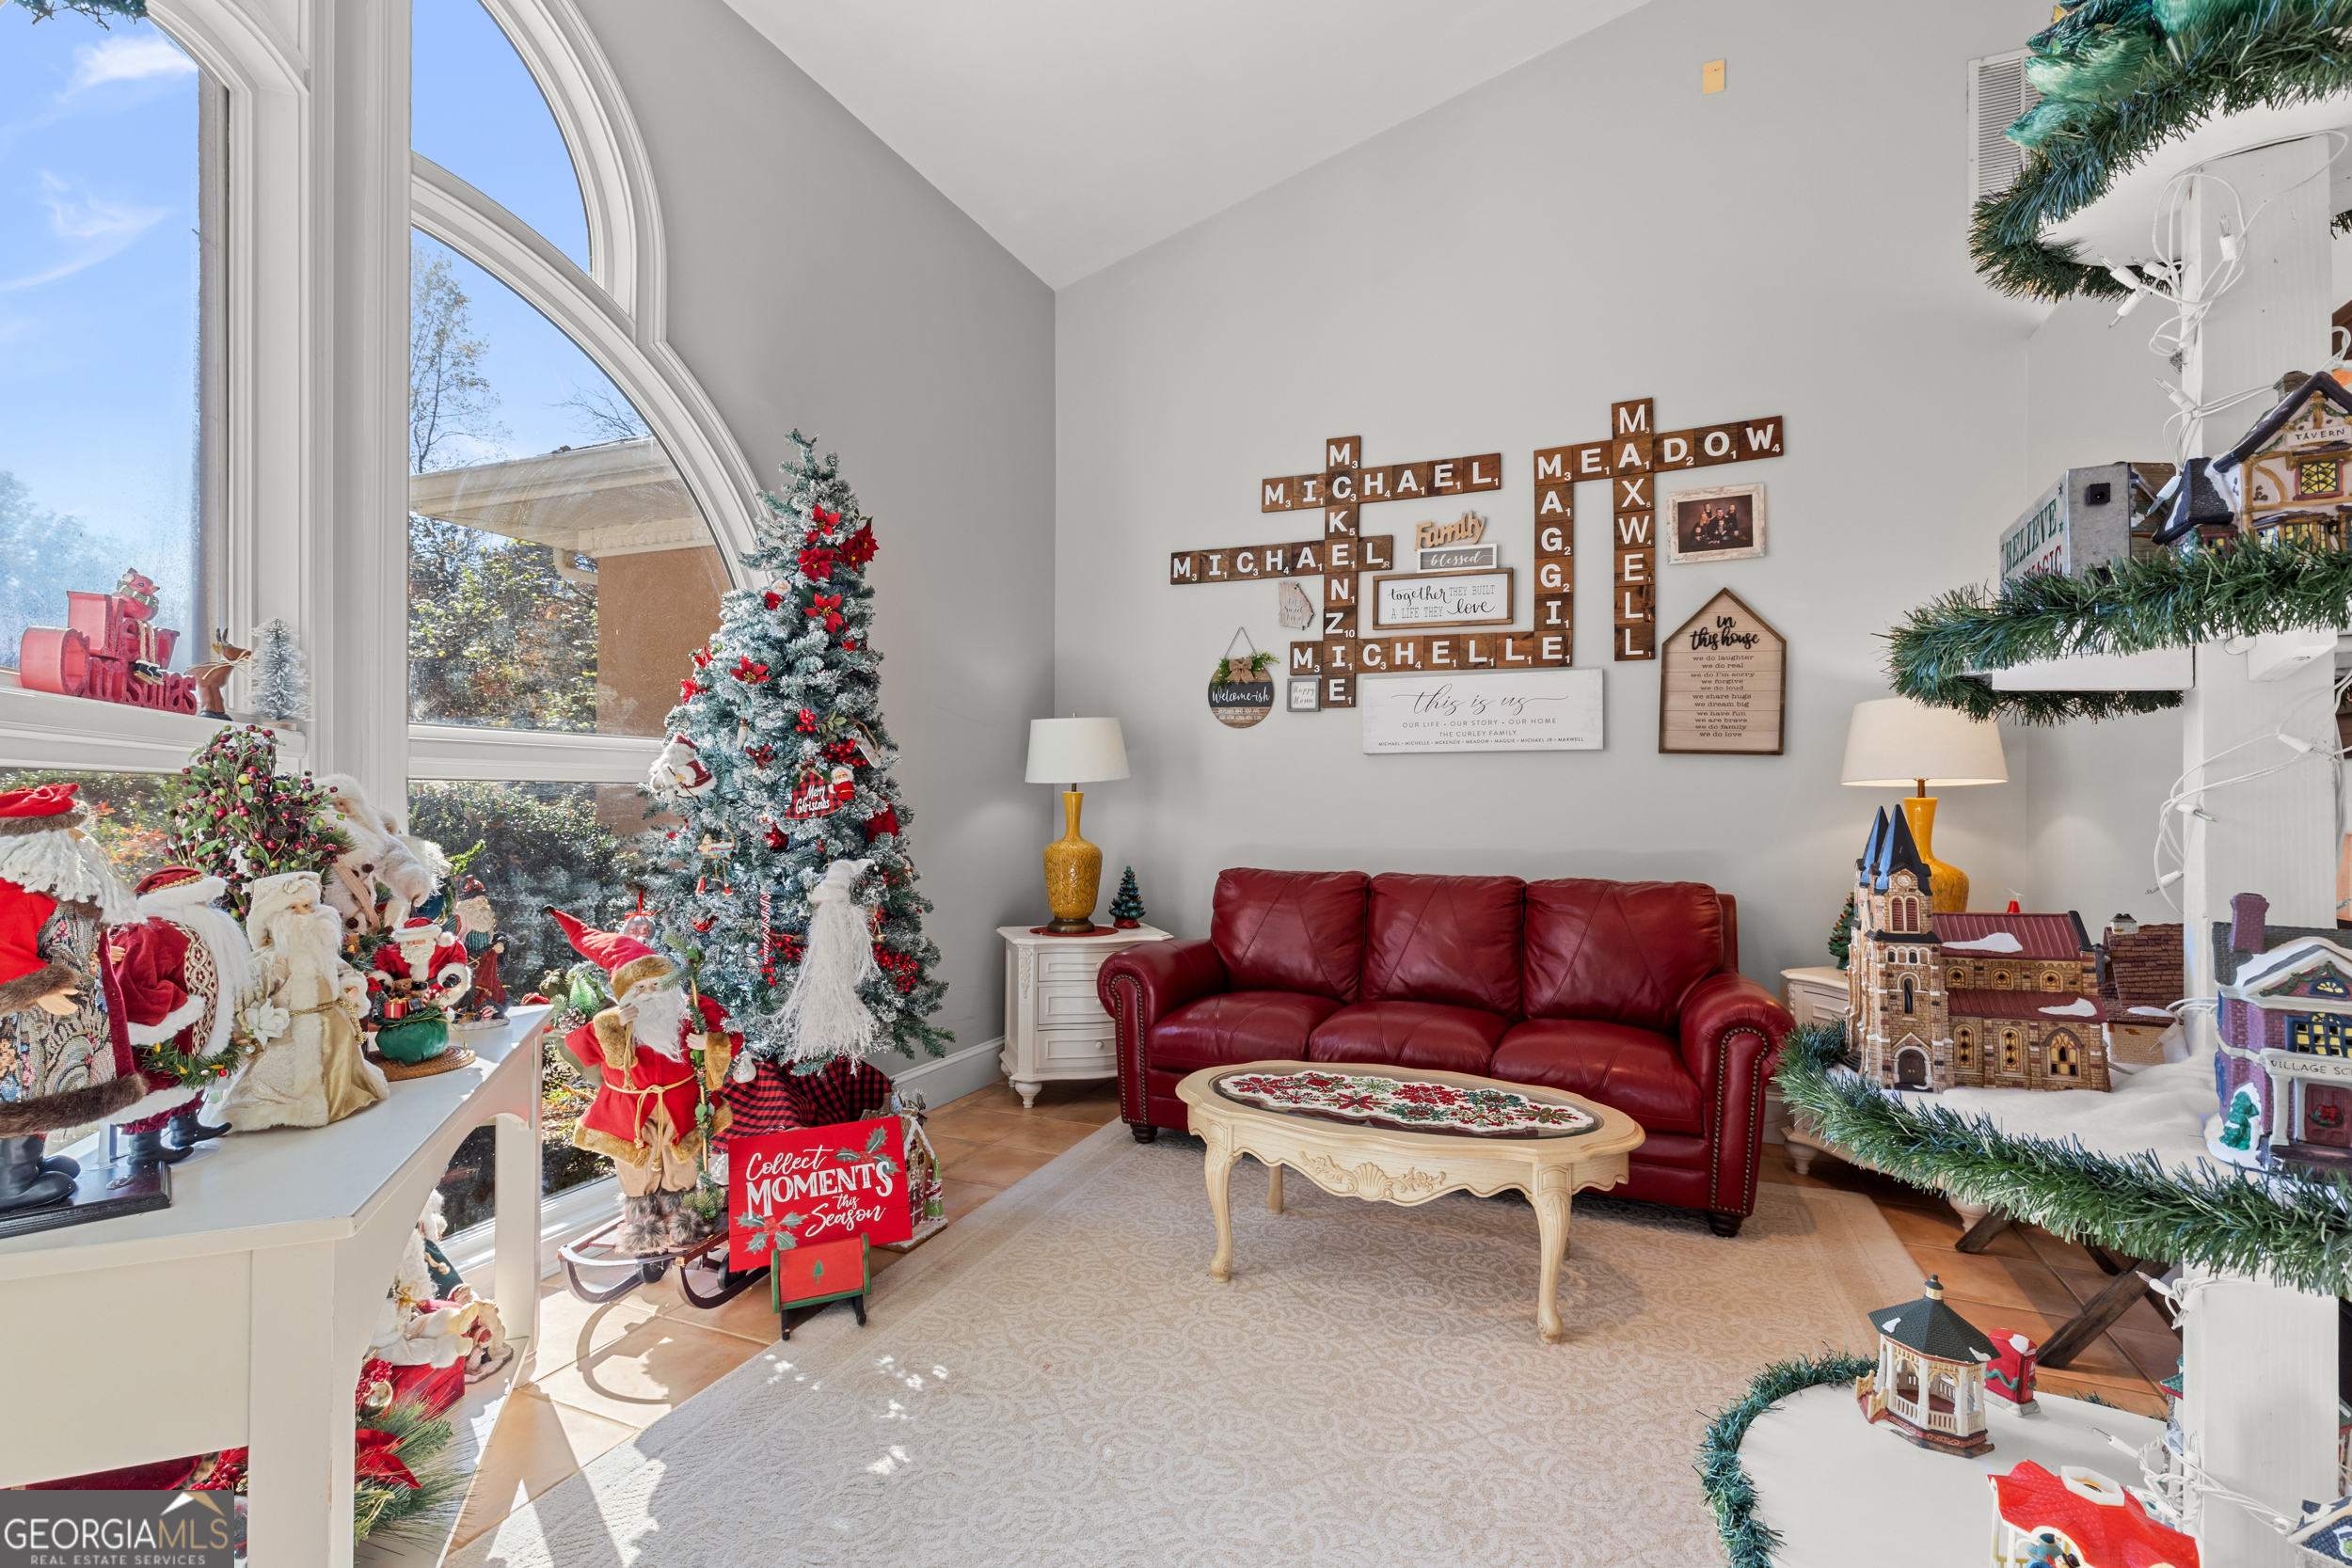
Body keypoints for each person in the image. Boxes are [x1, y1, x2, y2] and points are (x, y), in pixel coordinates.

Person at [547, 908, 740, 1254]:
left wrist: (710, 1043)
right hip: (630, 1108)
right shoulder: (613, 1020)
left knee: (680, 1163)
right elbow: (582, 1049)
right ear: (626, 991)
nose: (650, 992)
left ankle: (684, 1222)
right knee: (637, 1166)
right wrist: (610, 1024)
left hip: (680, 1105)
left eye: (657, 985)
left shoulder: (691, 1010)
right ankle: (643, 1227)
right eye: (641, 986)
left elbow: (730, 1032)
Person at [0, 784, 143, 1213]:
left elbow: (61, 937)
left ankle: (31, 1163)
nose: (84, 840)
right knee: (26, 1090)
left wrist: (95, 953)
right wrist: (34, 985)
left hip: (61, 1025)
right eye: (72, 833)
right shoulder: (18, 891)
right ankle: (12, 1180)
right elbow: (5, 946)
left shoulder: (57, 889)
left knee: (50, 1088)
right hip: (29, 1022)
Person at [220, 871, 388, 1132]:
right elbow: (252, 994)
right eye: (294, 908)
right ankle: (286, 1108)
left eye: (308, 906)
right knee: (288, 1073)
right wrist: (244, 1027)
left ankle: (343, 1096)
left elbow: (344, 971)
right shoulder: (271, 959)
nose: (303, 914)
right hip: (291, 1029)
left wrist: (351, 987)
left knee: (340, 1066)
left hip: (335, 1025)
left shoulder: (321, 949)